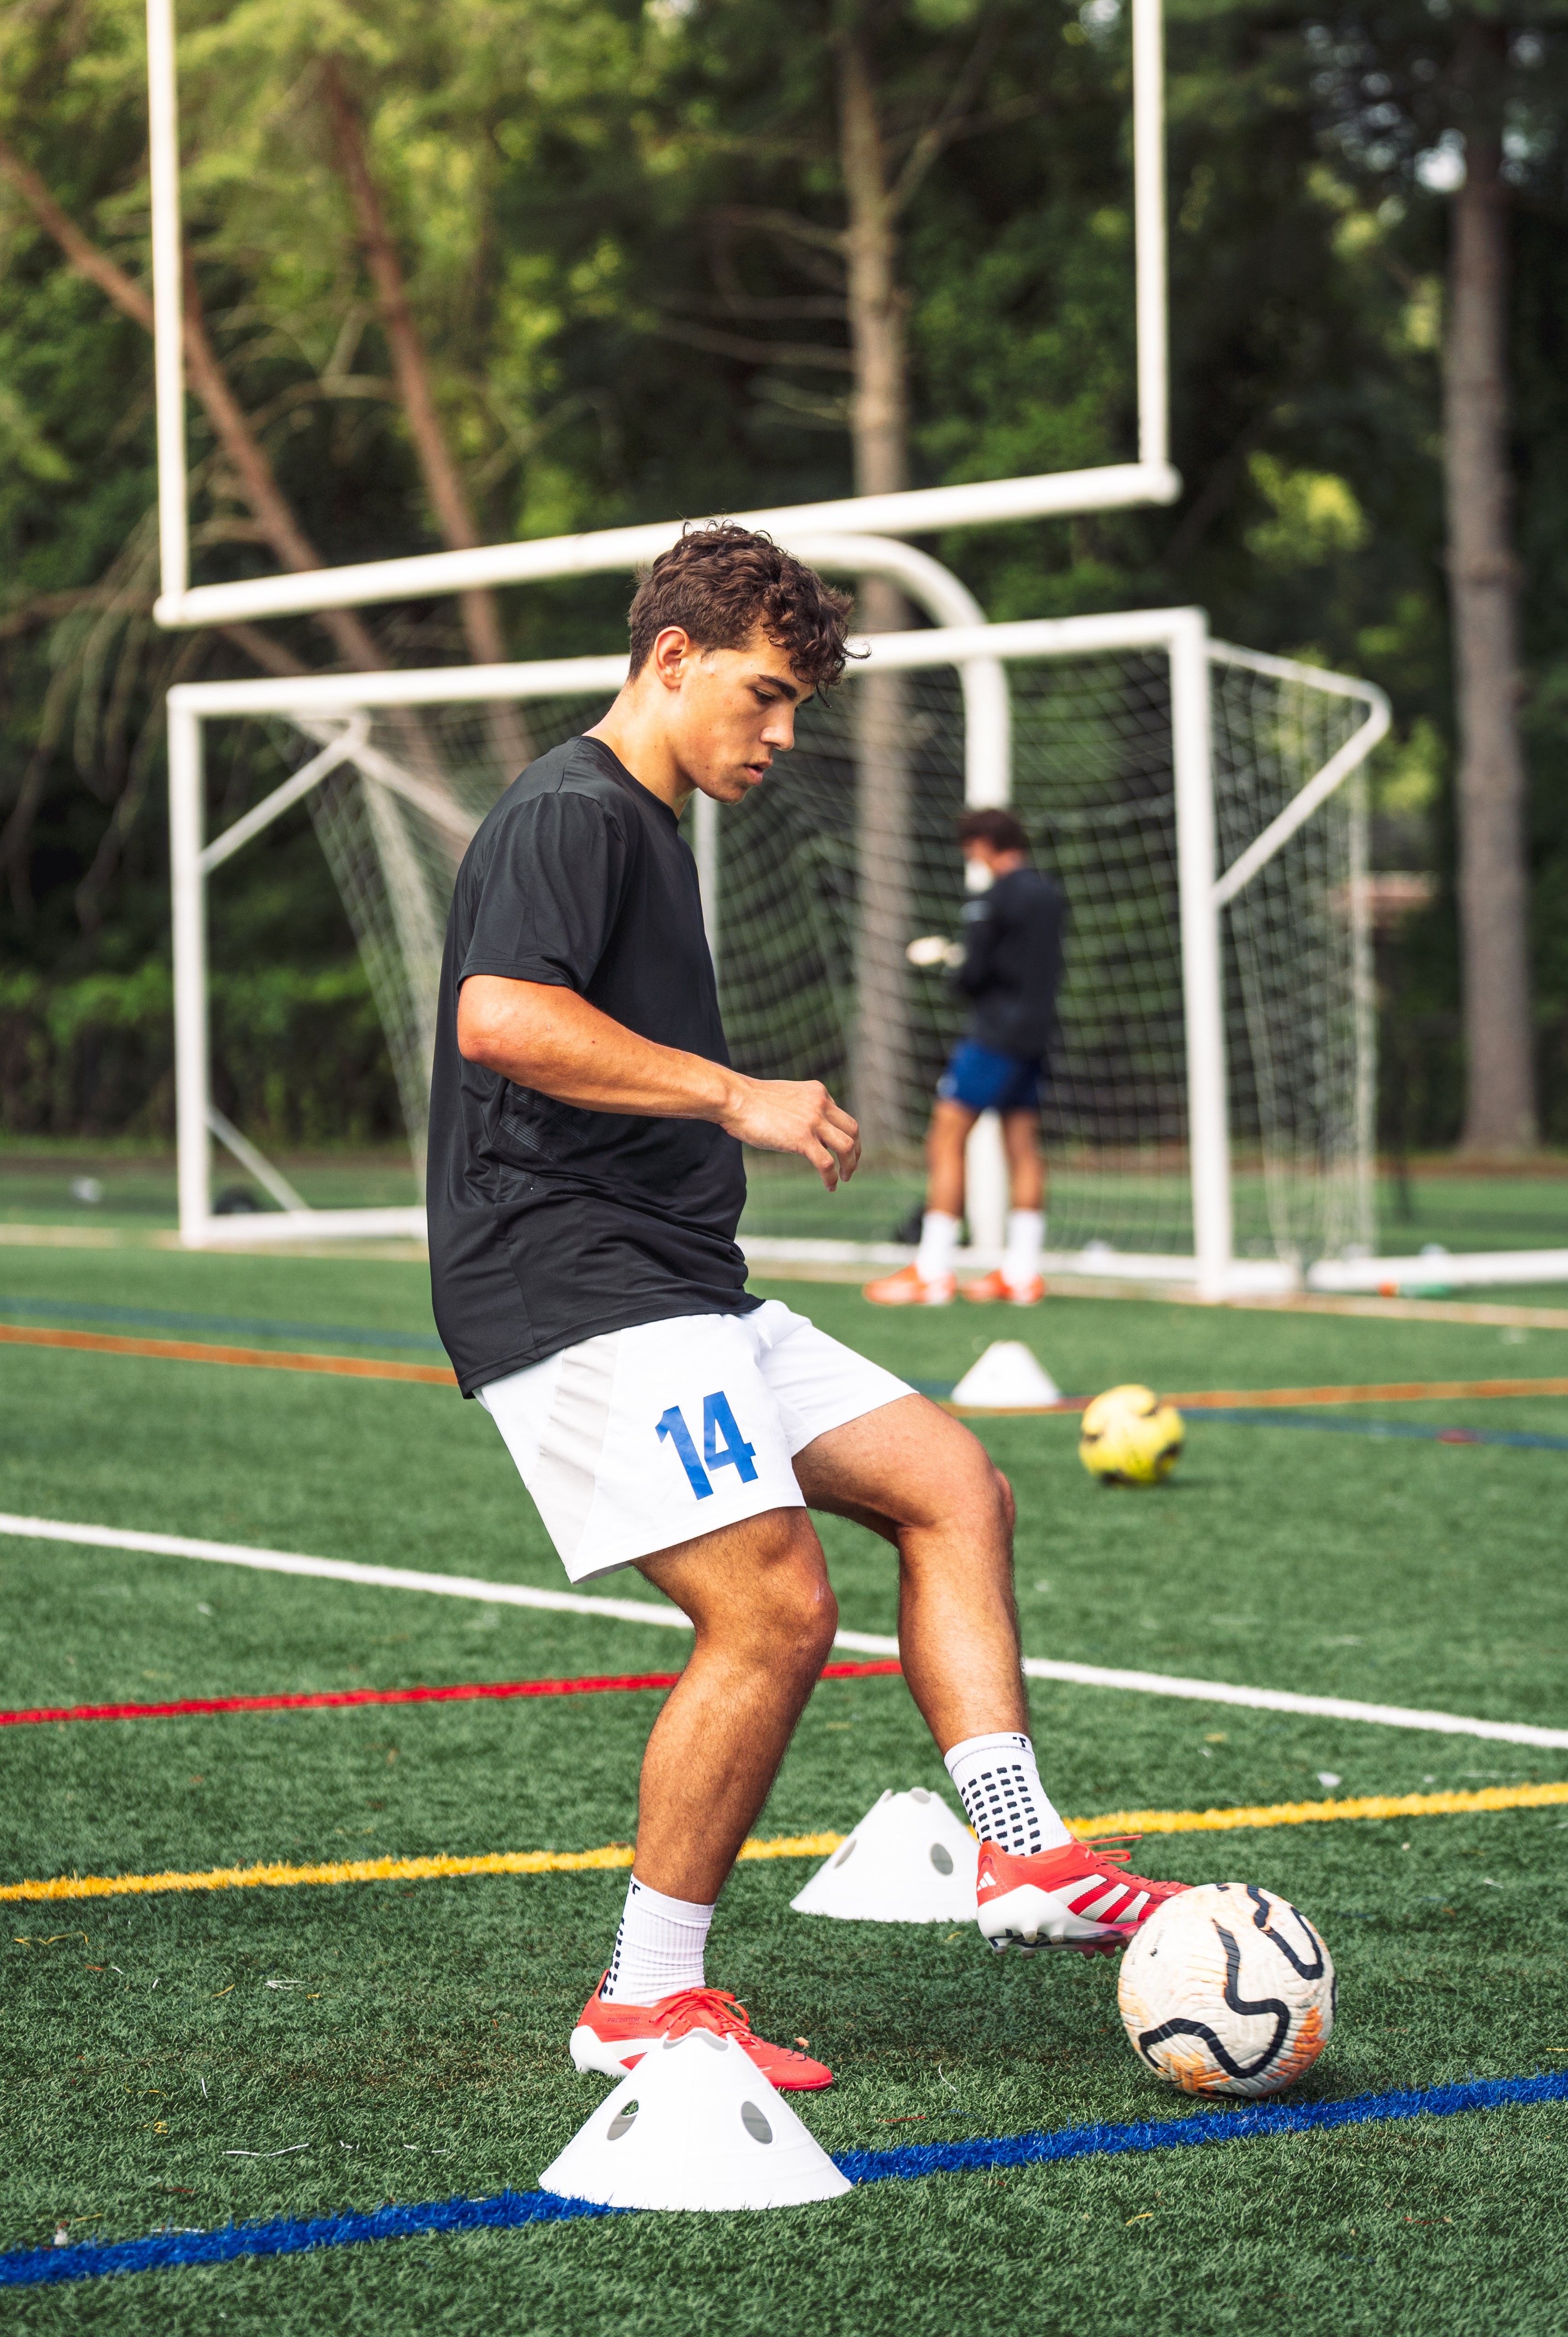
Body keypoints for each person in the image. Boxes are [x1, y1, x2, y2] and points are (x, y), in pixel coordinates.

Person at [427, 524, 1180, 2094]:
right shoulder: (570, 809)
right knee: (769, 1606)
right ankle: (642, 1996)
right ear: (670, 658)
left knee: (947, 1481)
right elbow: (499, 1017)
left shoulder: (645, 820)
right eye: (763, 698)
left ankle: (1022, 1858)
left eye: (796, 710)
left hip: (675, 1278)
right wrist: (737, 1098)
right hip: (571, 1280)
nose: (777, 737)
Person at [865, 811, 1064, 1308]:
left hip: (994, 1035)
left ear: (981, 843)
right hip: (1037, 1035)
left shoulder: (991, 900)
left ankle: (932, 1270)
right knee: (1022, 1145)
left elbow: (973, 975)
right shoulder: (1050, 896)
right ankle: (1022, 1272)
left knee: (946, 1138)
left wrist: (953, 964)